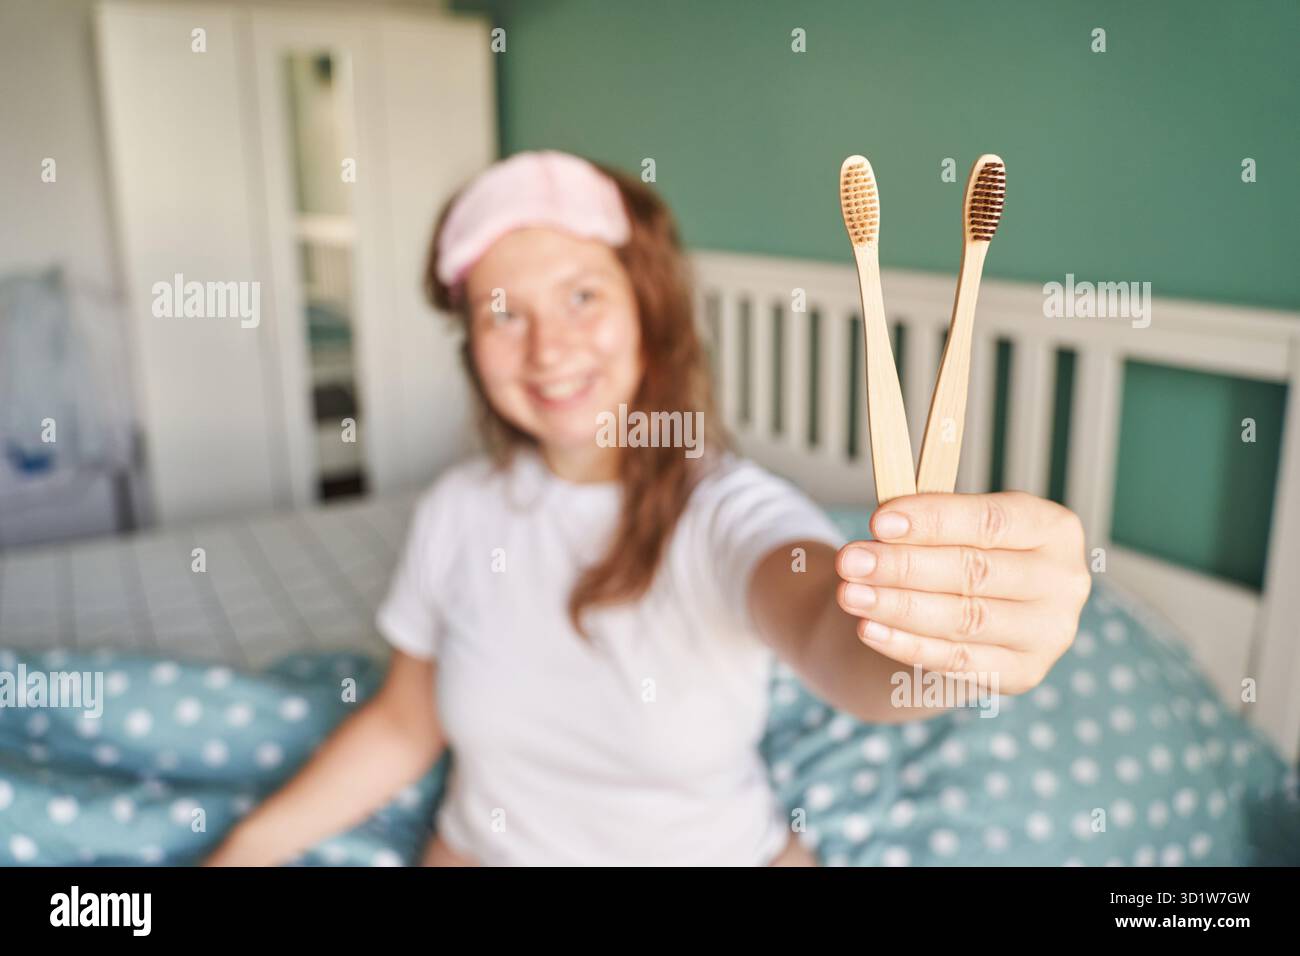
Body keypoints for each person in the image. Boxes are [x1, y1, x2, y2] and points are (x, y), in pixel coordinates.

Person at [206, 151, 1090, 866]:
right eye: (503, 313)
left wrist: (948, 648)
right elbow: (405, 720)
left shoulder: (726, 511)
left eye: (584, 296)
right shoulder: (454, 512)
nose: (548, 347)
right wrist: (247, 848)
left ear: (646, 310)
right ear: (472, 345)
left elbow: (831, 633)